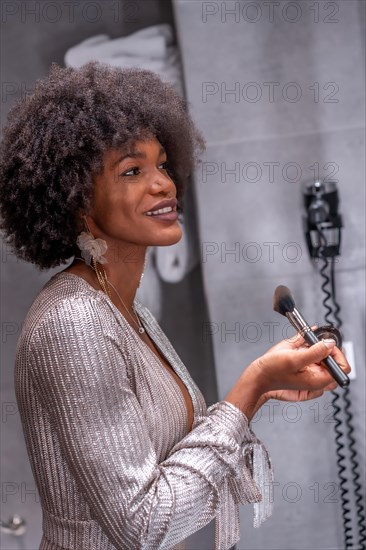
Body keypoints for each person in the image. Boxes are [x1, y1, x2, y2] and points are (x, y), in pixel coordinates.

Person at [0, 62, 350, 550]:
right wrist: (252, 386)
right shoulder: (74, 323)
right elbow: (144, 525)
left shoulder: (125, 309)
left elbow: (171, 468)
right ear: (77, 199)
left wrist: (267, 385)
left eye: (162, 164)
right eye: (132, 170)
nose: (164, 183)